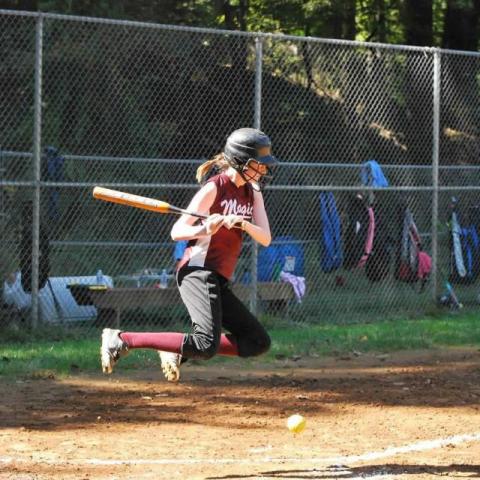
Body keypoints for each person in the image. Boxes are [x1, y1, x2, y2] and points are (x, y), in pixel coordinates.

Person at [100, 128, 278, 382]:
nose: (262, 170)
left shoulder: (253, 190)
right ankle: (122, 339)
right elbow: (178, 231)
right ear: (239, 161)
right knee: (205, 344)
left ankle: (176, 351)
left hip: (218, 277)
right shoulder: (215, 188)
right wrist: (207, 227)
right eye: (257, 165)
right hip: (197, 271)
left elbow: (265, 238)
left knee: (257, 341)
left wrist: (243, 224)